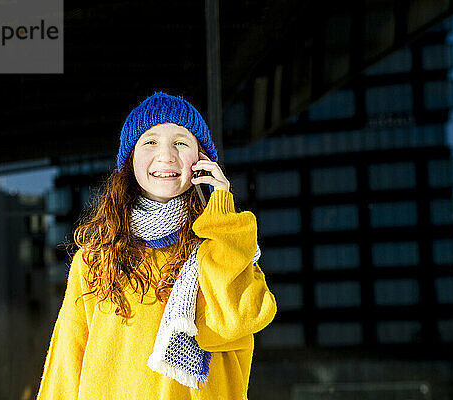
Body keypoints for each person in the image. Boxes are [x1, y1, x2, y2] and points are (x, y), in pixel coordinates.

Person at [36, 91, 277, 399]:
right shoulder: (95, 258)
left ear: (202, 161)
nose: (166, 155)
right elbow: (66, 365)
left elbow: (239, 321)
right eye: (150, 142)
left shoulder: (224, 244)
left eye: (181, 142)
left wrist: (221, 215)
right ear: (131, 159)